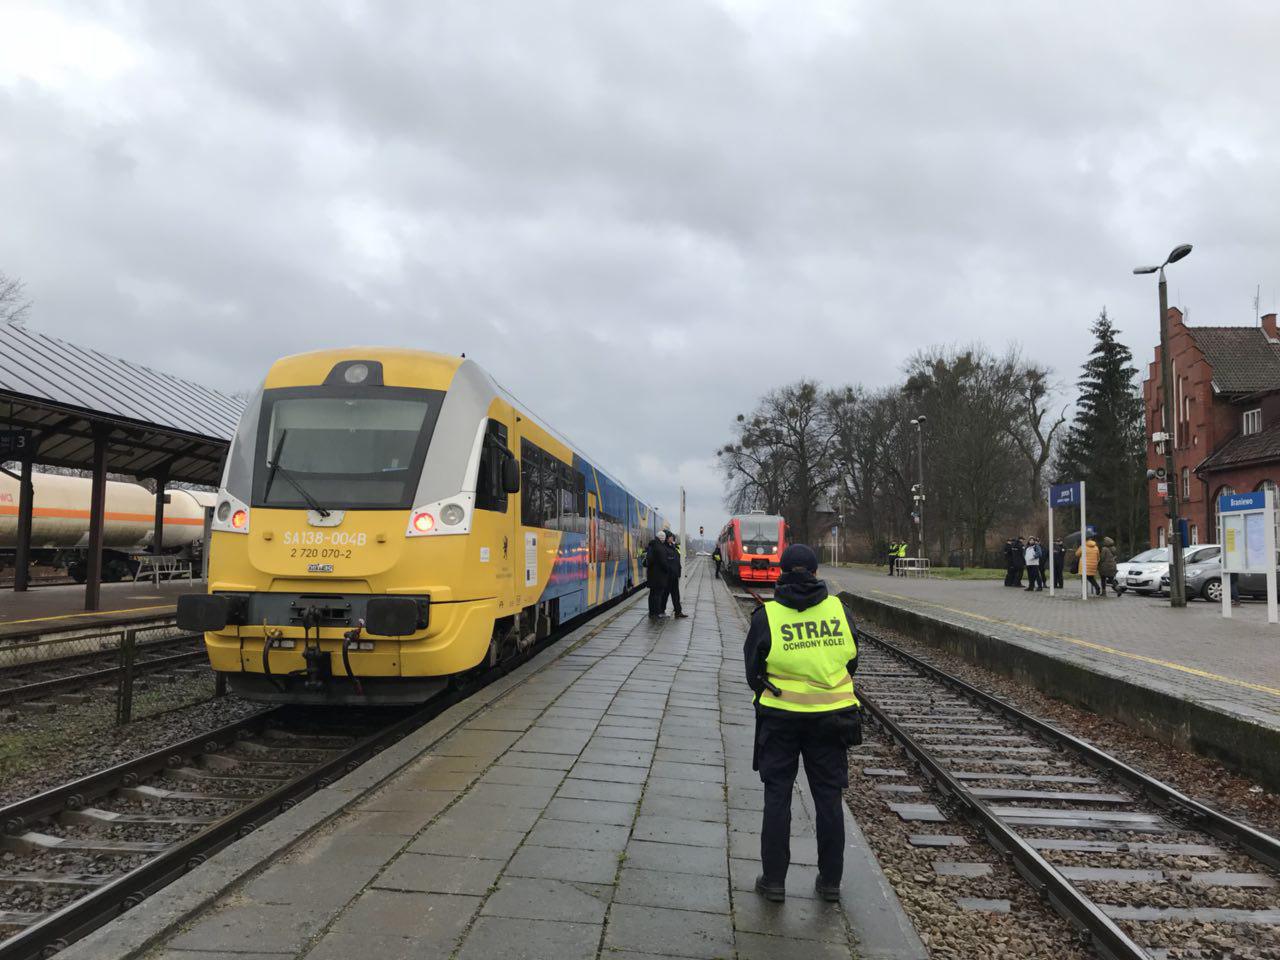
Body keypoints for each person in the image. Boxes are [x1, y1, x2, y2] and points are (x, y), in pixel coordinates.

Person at [743, 544, 860, 904]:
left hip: (780, 720)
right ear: (815, 571)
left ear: (781, 571)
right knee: (828, 797)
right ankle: (830, 883)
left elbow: (752, 673)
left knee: (777, 796)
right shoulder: (839, 610)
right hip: (832, 718)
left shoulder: (768, 615)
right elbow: (851, 659)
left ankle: (774, 881)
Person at [662, 531, 688, 618]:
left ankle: (678, 611)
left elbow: (676, 560)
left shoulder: (673, 547)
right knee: (665, 594)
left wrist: (678, 571)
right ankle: (661, 611)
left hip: (674, 576)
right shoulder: (664, 548)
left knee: (676, 594)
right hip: (668, 576)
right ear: (666, 538)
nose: (672, 538)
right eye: (670, 537)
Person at [645, 531, 670, 619]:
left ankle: (651, 613)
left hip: (652, 574)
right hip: (659, 576)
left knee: (652, 594)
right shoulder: (660, 548)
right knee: (658, 595)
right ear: (662, 538)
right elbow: (663, 562)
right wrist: (668, 569)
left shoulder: (652, 545)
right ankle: (656, 613)